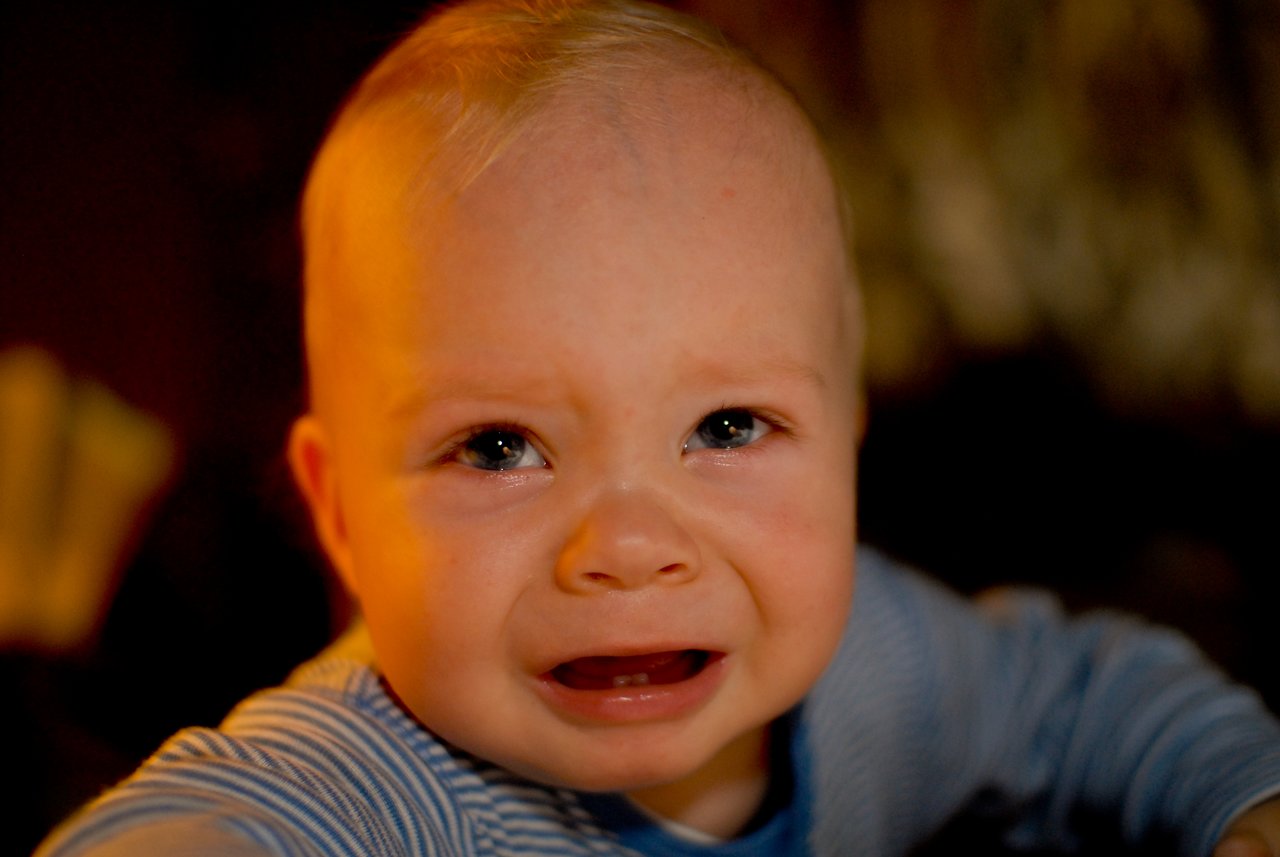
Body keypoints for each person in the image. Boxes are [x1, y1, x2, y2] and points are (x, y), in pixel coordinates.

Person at [35, 1, 1280, 854]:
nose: (627, 546)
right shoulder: (379, 785)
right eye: (498, 445)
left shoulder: (878, 661)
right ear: (339, 511)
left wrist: (1239, 796)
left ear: (845, 425)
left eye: (727, 424)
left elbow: (1083, 697)